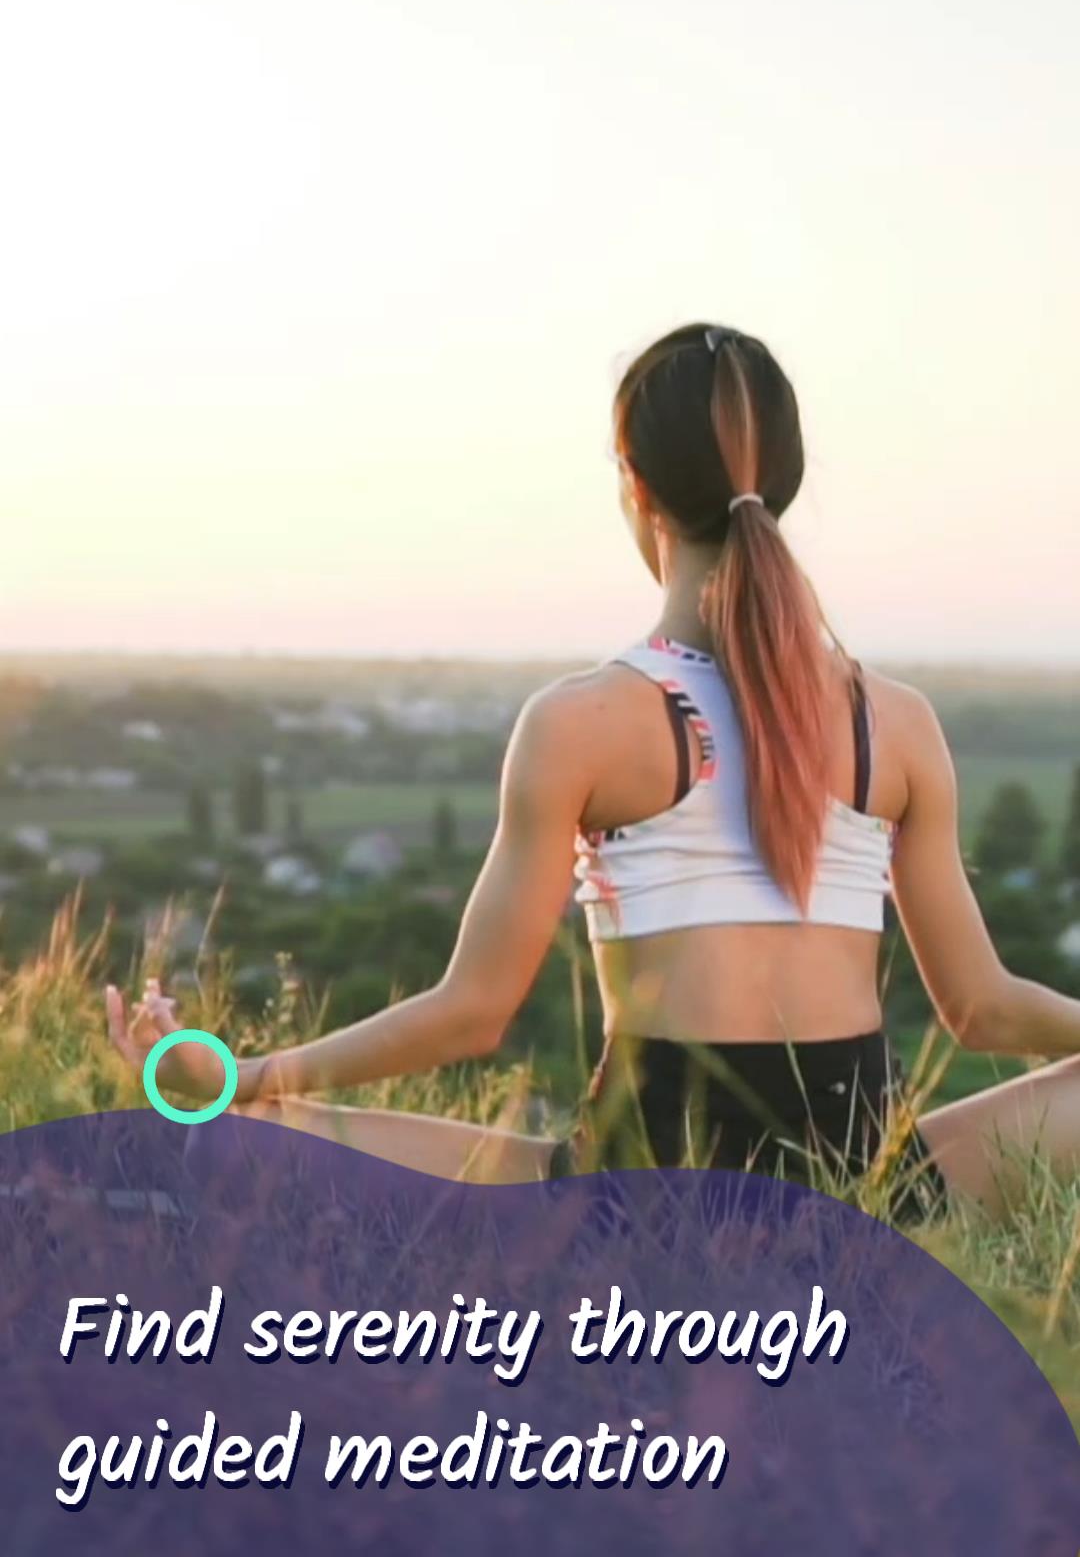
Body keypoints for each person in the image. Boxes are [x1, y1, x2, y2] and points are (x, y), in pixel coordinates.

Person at [108, 322, 1080, 1218]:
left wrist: (241, 1077)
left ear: (636, 487)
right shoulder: (897, 723)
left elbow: (471, 1015)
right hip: (868, 1206)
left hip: (637, 1211)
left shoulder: (580, 722)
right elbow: (982, 1007)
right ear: (782, 484)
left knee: (228, 1132)